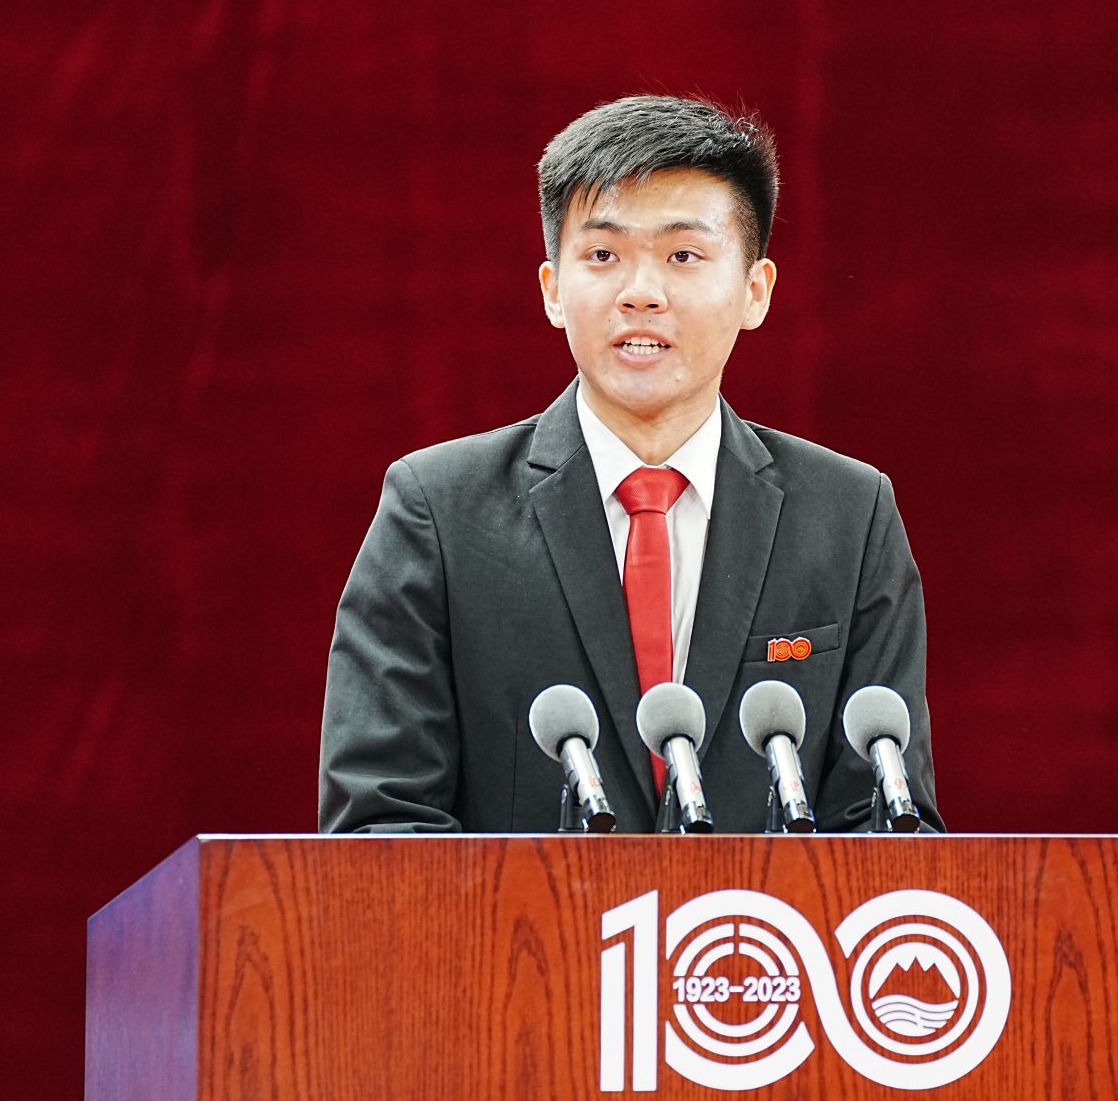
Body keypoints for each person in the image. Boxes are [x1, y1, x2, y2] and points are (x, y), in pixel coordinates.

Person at [319, 95, 940, 833]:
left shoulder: (849, 516)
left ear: (755, 291)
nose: (641, 293)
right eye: (603, 256)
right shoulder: (439, 513)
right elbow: (378, 826)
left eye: (683, 256)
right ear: (553, 289)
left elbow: (890, 832)